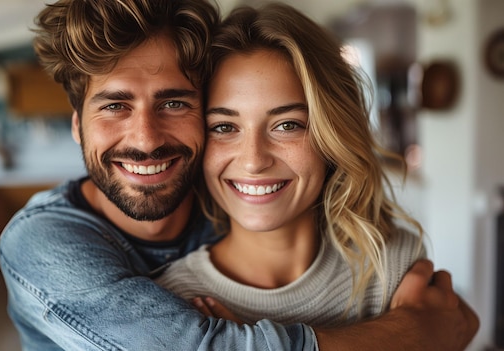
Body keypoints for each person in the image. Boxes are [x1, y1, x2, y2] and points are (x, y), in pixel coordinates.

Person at [0, 0, 479, 350]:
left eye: (173, 102)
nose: (145, 138)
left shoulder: (385, 259)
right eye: (115, 106)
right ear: (77, 126)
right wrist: (419, 332)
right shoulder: (44, 244)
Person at [156, 2, 428, 327]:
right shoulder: (170, 300)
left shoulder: (393, 267)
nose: (254, 161)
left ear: (332, 134)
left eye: (287, 125)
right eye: (224, 127)